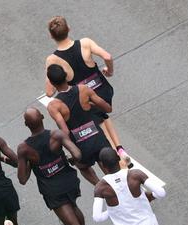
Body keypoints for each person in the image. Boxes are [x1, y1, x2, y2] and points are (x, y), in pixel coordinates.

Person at [16, 107, 111, 225]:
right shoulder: (56, 135)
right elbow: (77, 153)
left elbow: (22, 179)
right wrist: (68, 160)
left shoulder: (24, 148)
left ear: (25, 124)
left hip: (51, 189)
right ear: (43, 118)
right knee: (73, 207)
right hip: (69, 181)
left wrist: (30, 164)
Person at [44, 16, 131, 166]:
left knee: (97, 121)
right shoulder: (85, 43)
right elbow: (107, 56)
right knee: (103, 115)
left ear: (51, 36)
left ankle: (118, 160)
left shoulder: (52, 59)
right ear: (69, 28)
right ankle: (120, 148)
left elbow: (49, 92)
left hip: (84, 99)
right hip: (102, 91)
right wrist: (109, 71)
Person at [93, 148, 166, 225]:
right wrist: (150, 197)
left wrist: (113, 210)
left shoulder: (100, 188)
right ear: (118, 158)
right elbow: (161, 193)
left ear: (102, 165)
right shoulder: (136, 174)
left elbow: (97, 217)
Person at [46, 63, 112, 185]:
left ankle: (100, 186)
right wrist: (90, 105)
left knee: (83, 167)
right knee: (108, 166)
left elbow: (64, 132)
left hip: (81, 145)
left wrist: (69, 152)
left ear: (52, 83)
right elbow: (107, 108)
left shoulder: (54, 106)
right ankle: (117, 186)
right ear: (66, 76)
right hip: (98, 138)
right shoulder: (84, 89)